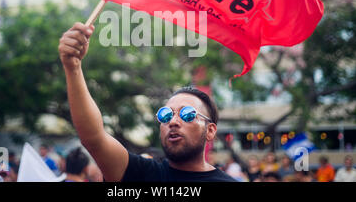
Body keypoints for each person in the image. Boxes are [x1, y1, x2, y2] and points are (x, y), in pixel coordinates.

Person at [58, 22, 235, 182]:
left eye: (186, 114)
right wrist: (72, 66)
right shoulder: (142, 174)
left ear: (210, 131)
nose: (173, 122)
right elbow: (94, 138)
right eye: (165, 115)